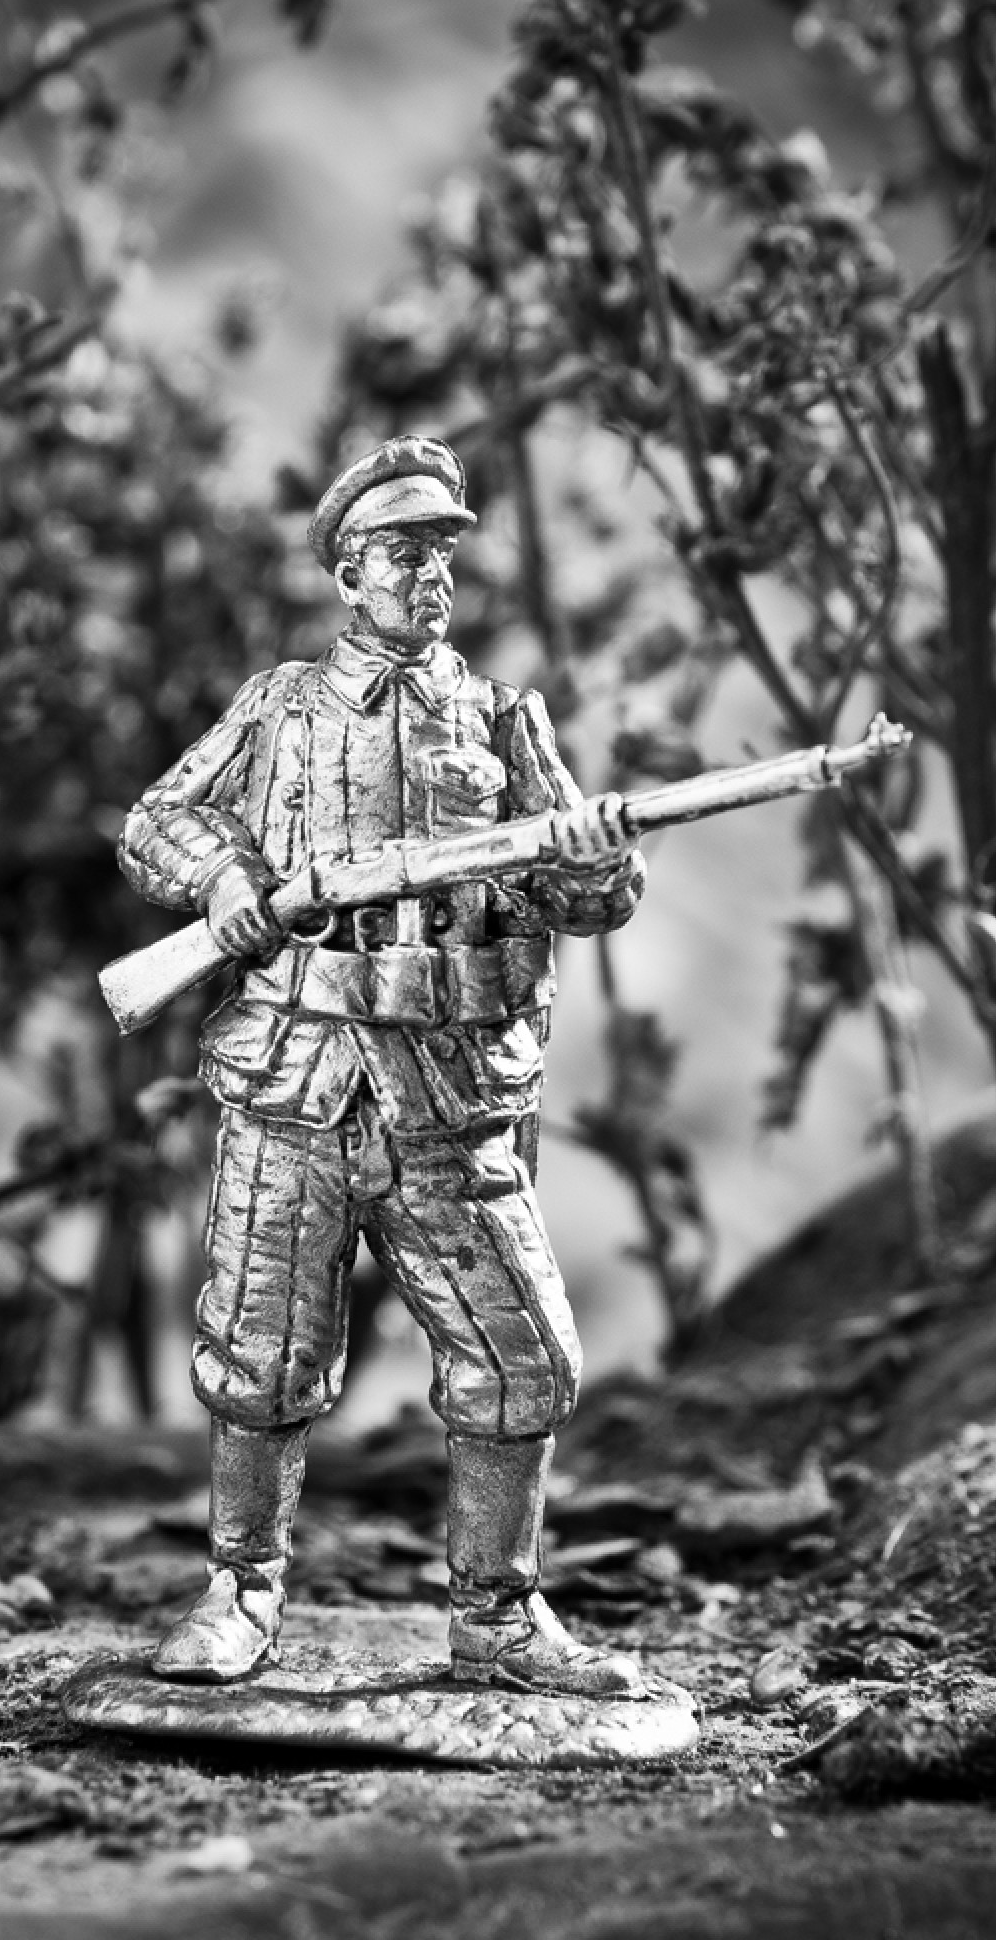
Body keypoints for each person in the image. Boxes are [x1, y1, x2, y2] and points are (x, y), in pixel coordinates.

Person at [116, 435, 650, 1697]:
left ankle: (498, 1612)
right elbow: (154, 820)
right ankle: (240, 1590)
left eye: (442, 553)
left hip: (447, 1095)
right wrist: (228, 877)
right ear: (347, 571)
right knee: (257, 1349)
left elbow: (593, 896)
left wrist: (583, 856)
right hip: (293, 1074)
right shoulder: (279, 708)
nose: (430, 576)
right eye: (403, 553)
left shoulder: (501, 717)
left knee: (523, 1356)